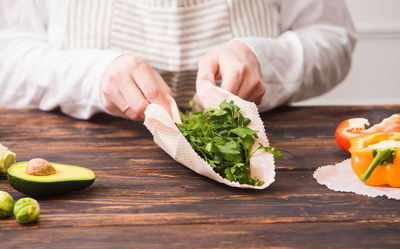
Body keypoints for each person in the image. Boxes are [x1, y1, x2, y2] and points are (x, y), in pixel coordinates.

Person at [0, 0, 356, 121]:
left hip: (251, 158)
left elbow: (332, 36)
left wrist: (264, 59)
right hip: (85, 162)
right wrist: (90, 77)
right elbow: (8, 55)